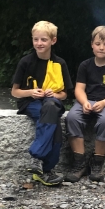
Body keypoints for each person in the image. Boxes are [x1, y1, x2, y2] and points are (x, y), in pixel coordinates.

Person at [11, 20, 72, 186]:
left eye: (44, 40)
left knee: (51, 106)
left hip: (51, 102)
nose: (39, 43)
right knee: (55, 125)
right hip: (30, 103)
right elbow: (15, 92)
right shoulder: (25, 62)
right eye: (36, 39)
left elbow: (64, 95)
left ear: (53, 40)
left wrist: (55, 94)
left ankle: (37, 159)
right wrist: (31, 92)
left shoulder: (60, 63)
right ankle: (46, 170)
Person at [65, 26, 105, 183]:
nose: (101, 47)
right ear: (92, 45)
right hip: (87, 100)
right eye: (98, 43)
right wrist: (84, 102)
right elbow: (79, 89)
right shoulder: (85, 65)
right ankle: (79, 163)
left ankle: (97, 163)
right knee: (72, 117)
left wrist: (104, 102)